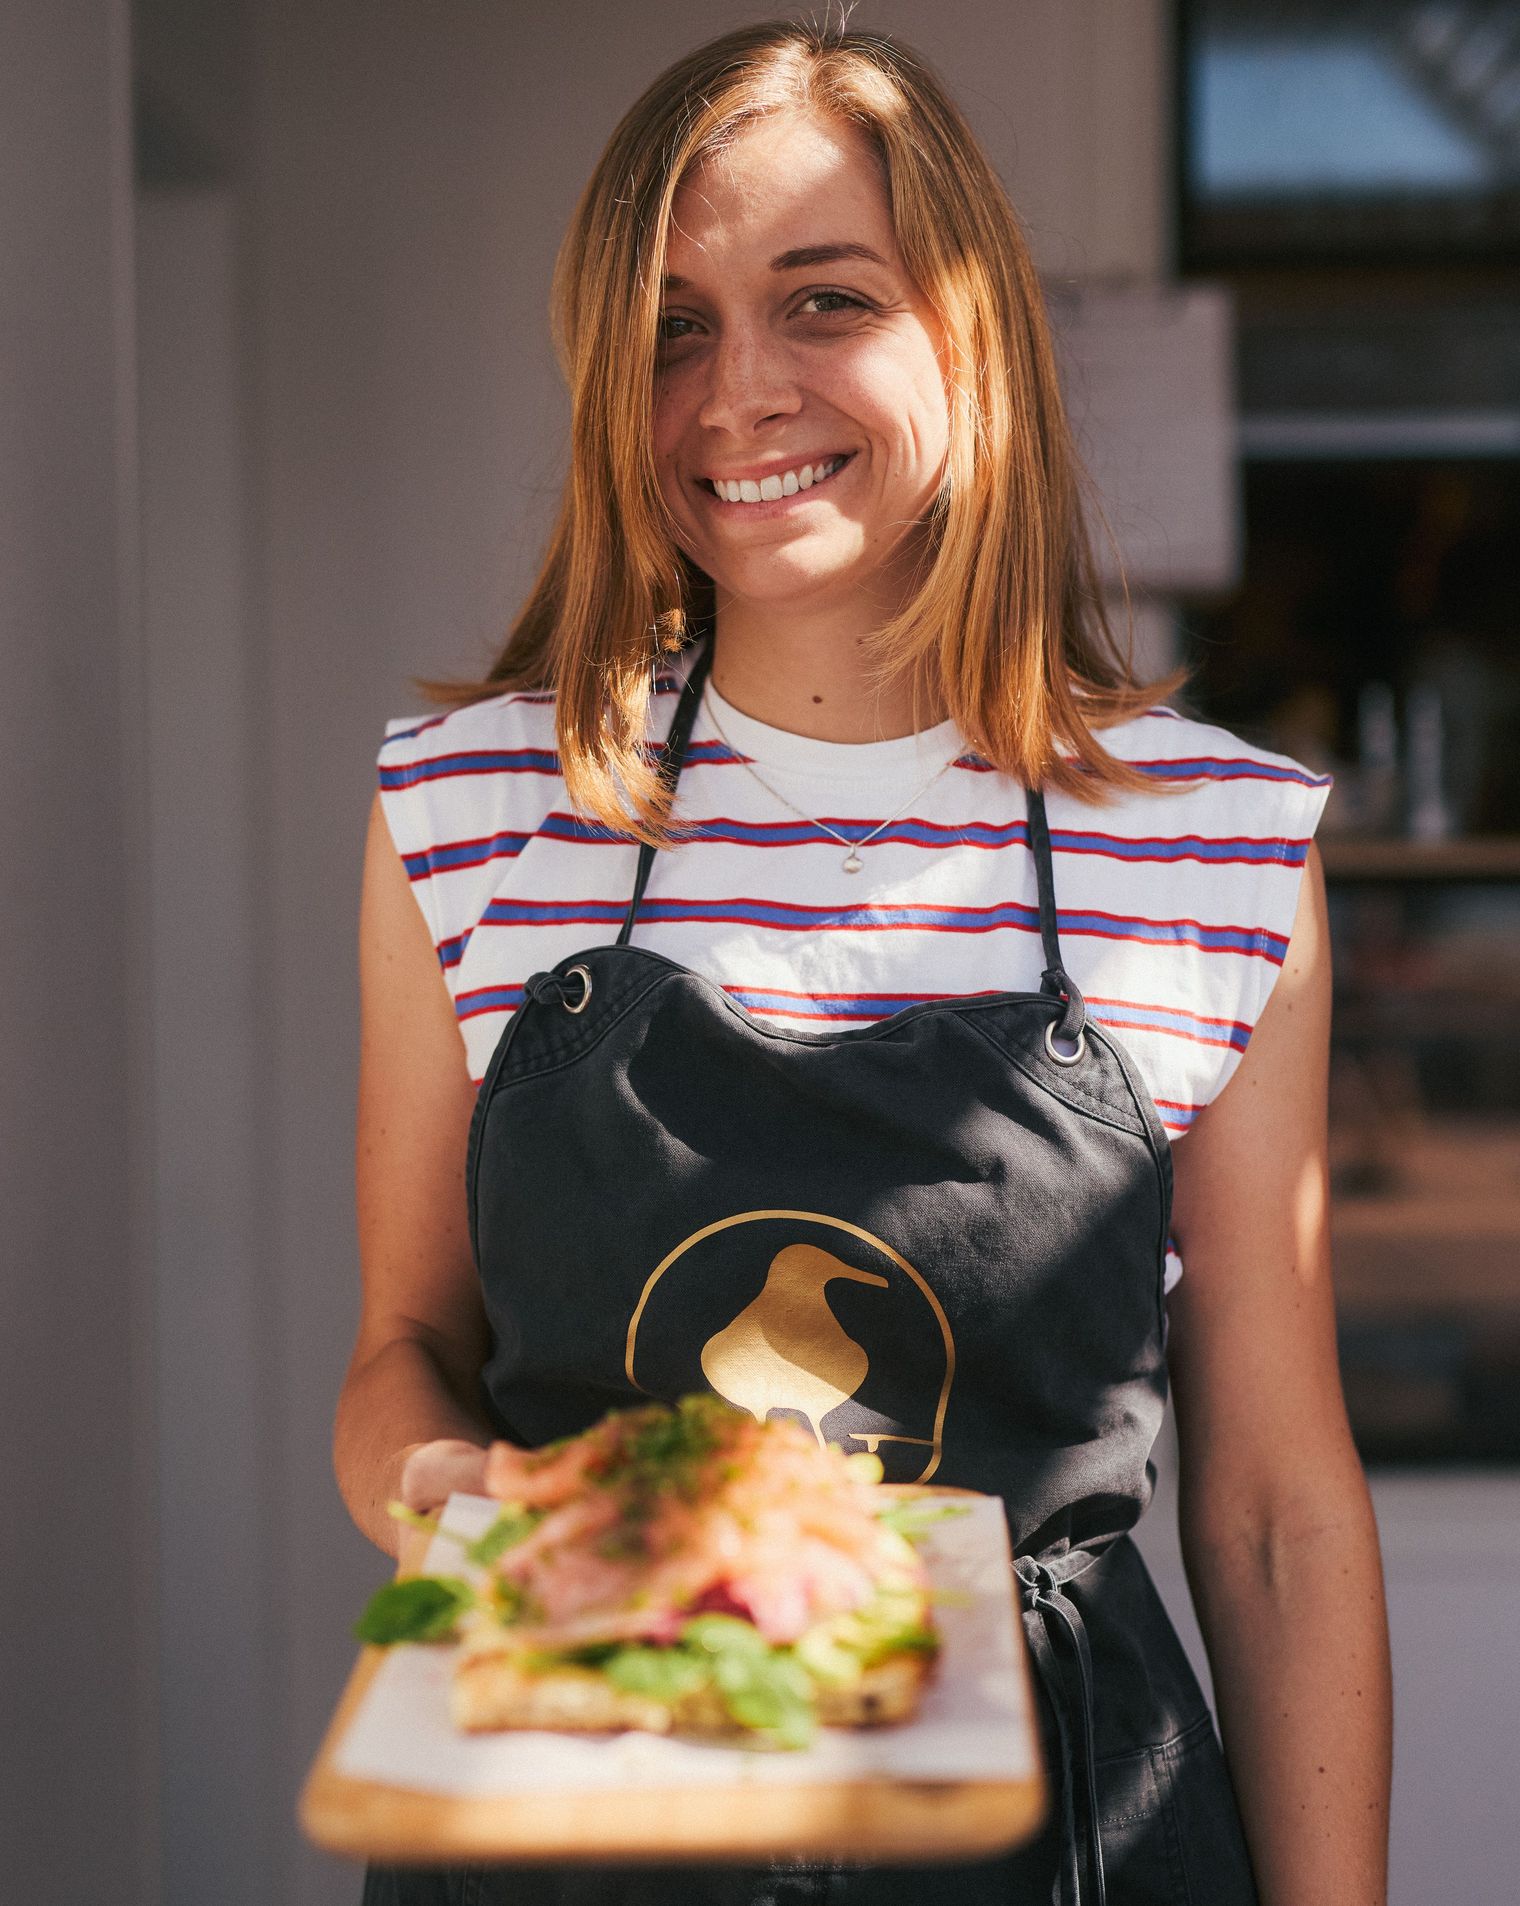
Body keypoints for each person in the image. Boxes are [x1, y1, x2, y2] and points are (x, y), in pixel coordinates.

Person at [337, 19, 1392, 1906]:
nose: (739, 390)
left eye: (821, 301)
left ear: (968, 337)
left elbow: (1276, 1516)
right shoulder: (476, 810)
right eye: (672, 326)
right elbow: (403, 1357)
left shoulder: (1214, 844)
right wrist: (475, 1504)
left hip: (1061, 1838)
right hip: (583, 1811)